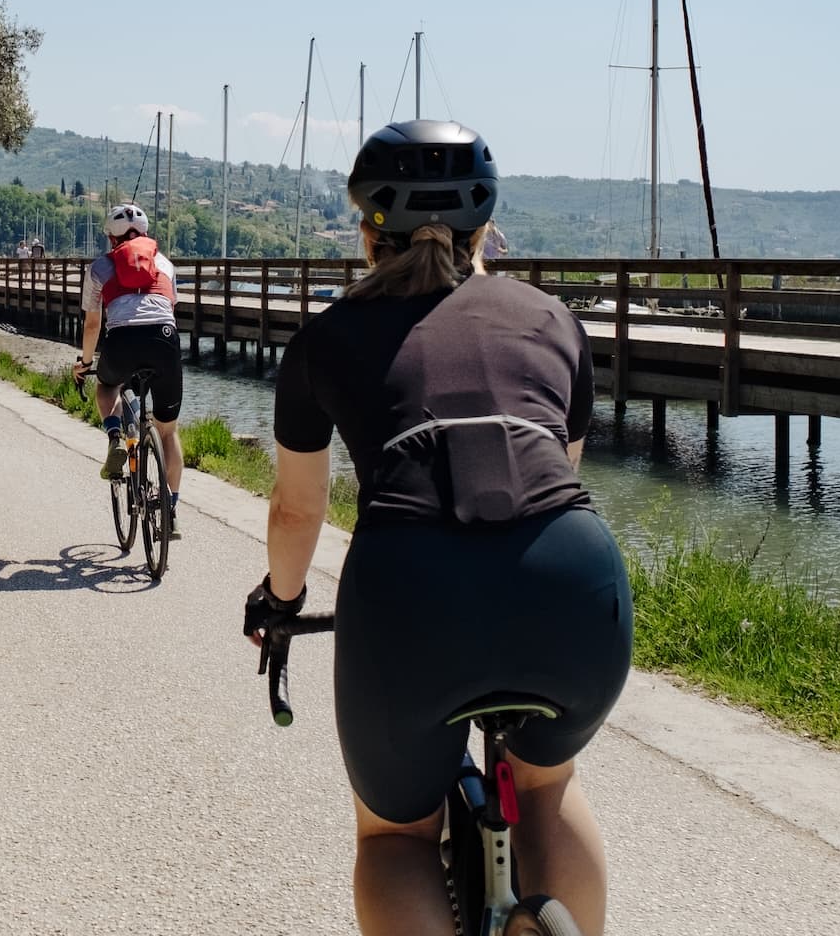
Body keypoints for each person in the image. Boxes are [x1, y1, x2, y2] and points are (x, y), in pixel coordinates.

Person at [243, 121, 631, 936]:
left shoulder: (325, 338)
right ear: (484, 229)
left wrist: (279, 603)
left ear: (365, 233)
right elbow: (566, 470)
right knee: (549, 788)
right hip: (571, 577)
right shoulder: (552, 319)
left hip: (413, 595)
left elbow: (298, 510)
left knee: (394, 837)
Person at [72, 202, 186, 538]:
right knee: (167, 432)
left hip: (121, 341)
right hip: (165, 340)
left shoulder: (99, 267)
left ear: (111, 238)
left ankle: (115, 436)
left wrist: (86, 363)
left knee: (108, 387)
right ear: (146, 234)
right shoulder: (165, 263)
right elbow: (168, 310)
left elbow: (93, 324)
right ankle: (171, 510)